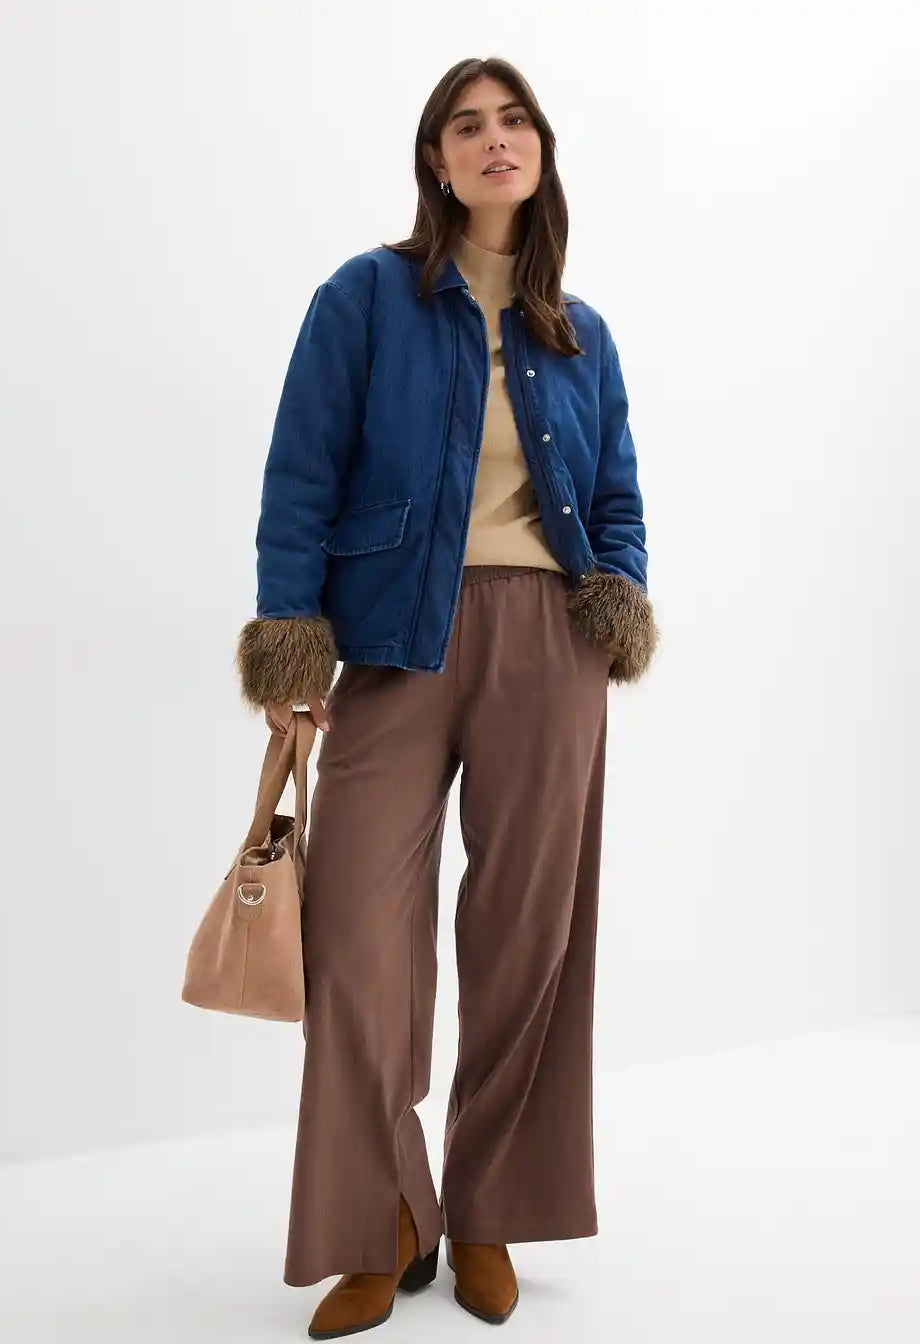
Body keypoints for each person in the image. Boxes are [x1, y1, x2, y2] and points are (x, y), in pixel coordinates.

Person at [235, 55, 659, 1340]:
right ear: (437, 160)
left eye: (513, 121)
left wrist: (617, 599)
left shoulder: (579, 331)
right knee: (359, 942)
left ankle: (486, 1211)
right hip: (394, 645)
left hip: (550, 647)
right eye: (466, 126)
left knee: (528, 937)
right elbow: (301, 472)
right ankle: (384, 1222)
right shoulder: (365, 297)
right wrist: (294, 656)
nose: (493, 141)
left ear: (540, 151)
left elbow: (620, 496)